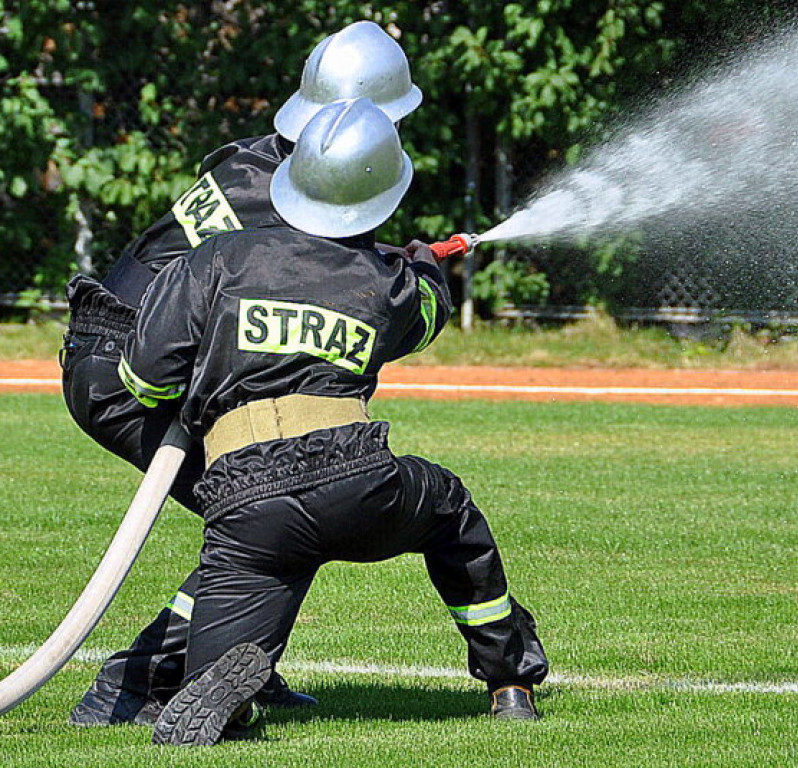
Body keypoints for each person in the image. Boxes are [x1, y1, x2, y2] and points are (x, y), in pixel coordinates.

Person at [113, 98, 548, 747]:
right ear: (380, 192)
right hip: (356, 477)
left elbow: (144, 377)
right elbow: (423, 316)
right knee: (451, 512)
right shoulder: (387, 280)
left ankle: (227, 696)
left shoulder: (218, 259)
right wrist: (421, 265)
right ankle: (509, 682)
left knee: (224, 644)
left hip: (243, 498)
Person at [61, 20, 422, 727]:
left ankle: (236, 665)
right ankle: (134, 685)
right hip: (129, 368)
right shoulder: (283, 192)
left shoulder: (261, 163)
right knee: (282, 502)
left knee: (282, 504)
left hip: (116, 348)